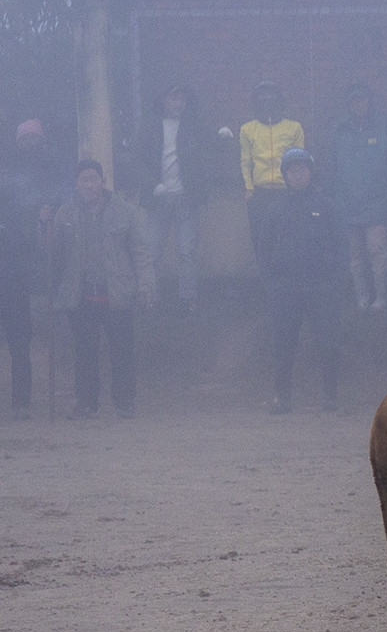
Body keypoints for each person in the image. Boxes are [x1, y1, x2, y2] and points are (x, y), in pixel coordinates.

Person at [51, 159, 153, 418]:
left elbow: (140, 251)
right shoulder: (65, 214)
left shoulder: (125, 211)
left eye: (93, 179)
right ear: (77, 183)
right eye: (83, 179)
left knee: (122, 350)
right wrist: (55, 294)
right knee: (85, 352)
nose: (89, 184)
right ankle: (86, 404)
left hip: (118, 291)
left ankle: (125, 403)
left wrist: (146, 286)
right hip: (82, 293)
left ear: (102, 181)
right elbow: (55, 258)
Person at [254, 147, 345, 413]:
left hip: (322, 288)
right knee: (283, 345)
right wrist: (272, 284)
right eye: (292, 171)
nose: (298, 175)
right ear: (285, 176)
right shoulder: (274, 211)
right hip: (285, 290)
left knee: (328, 344)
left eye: (303, 170)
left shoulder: (328, 207)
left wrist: (335, 281)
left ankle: (330, 399)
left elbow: (341, 246)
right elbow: (263, 249)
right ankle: (283, 399)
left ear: (311, 173)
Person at [129, 86, 224, 315]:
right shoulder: (150, 126)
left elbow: (208, 150)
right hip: (158, 198)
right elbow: (137, 160)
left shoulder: (193, 126)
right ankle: (149, 296)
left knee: (187, 252)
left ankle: (187, 299)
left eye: (182, 99)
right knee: (150, 251)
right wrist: (153, 185)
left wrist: (222, 137)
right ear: (163, 100)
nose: (179, 103)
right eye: (174, 98)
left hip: (186, 199)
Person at [1, 120, 71, 415]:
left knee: (19, 339)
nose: (30, 142)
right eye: (24, 137)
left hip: (24, 265)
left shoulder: (53, 168)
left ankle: (21, 402)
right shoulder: (6, 168)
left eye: (34, 136)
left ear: (42, 139)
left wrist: (47, 216)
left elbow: (63, 198)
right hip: (7, 256)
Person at [328, 83, 387, 313]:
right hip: (347, 204)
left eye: (362, 100)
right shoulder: (339, 130)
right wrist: (332, 200)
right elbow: (330, 168)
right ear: (348, 104)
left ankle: (381, 297)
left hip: (377, 204)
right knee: (354, 255)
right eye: (354, 101)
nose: (359, 105)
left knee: (377, 251)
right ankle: (361, 297)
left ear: (369, 101)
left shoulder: (385, 128)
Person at [239, 80, 305, 235]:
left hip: (287, 192)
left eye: (271, 97)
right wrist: (249, 189)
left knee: (288, 236)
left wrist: (298, 188)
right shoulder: (248, 129)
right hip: (260, 193)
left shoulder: (294, 127)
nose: (267, 101)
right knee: (261, 237)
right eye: (263, 98)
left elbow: (300, 162)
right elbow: (245, 162)